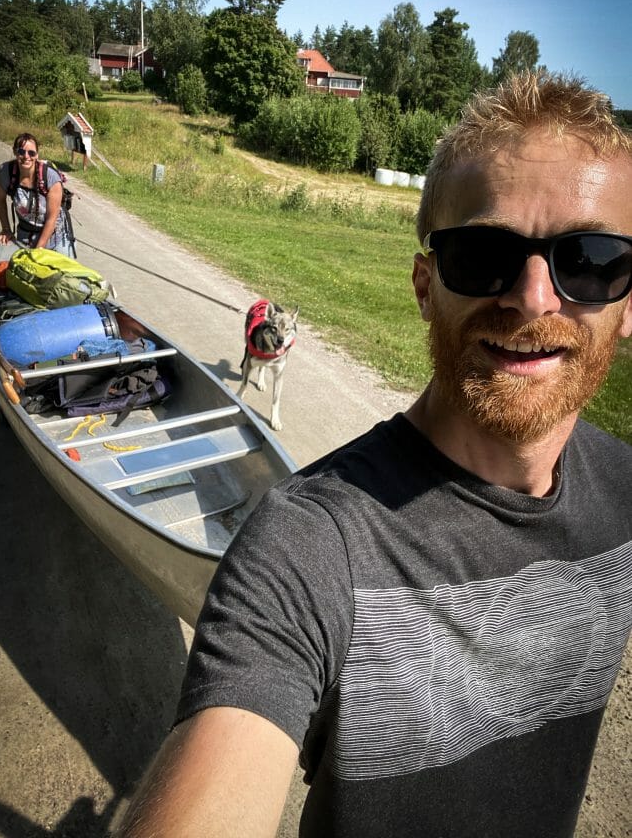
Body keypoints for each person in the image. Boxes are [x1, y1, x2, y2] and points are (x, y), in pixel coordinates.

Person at [117, 72, 632, 838]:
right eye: (482, 254)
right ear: (425, 285)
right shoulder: (307, 546)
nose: (532, 297)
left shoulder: (623, 487)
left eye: (588, 259)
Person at [0, 132, 75, 256]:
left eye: (31, 153)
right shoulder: (4, 172)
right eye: (21, 151)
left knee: (62, 273)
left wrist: (38, 250)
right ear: (15, 152)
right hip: (25, 233)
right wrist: (6, 229)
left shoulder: (51, 177)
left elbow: (51, 219)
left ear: (37, 155)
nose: (26, 156)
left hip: (56, 236)